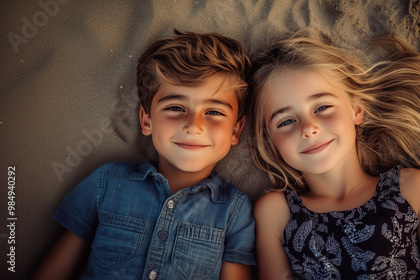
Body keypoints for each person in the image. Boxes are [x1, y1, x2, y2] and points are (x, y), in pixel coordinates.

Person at [248, 31, 420, 279]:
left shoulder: (409, 188)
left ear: (356, 110)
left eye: (322, 107)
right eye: (286, 121)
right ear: (270, 140)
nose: (308, 128)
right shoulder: (276, 213)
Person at [32, 31, 255, 280]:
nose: (194, 125)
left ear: (236, 130)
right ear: (146, 120)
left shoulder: (234, 211)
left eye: (213, 111)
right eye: (175, 108)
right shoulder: (106, 183)